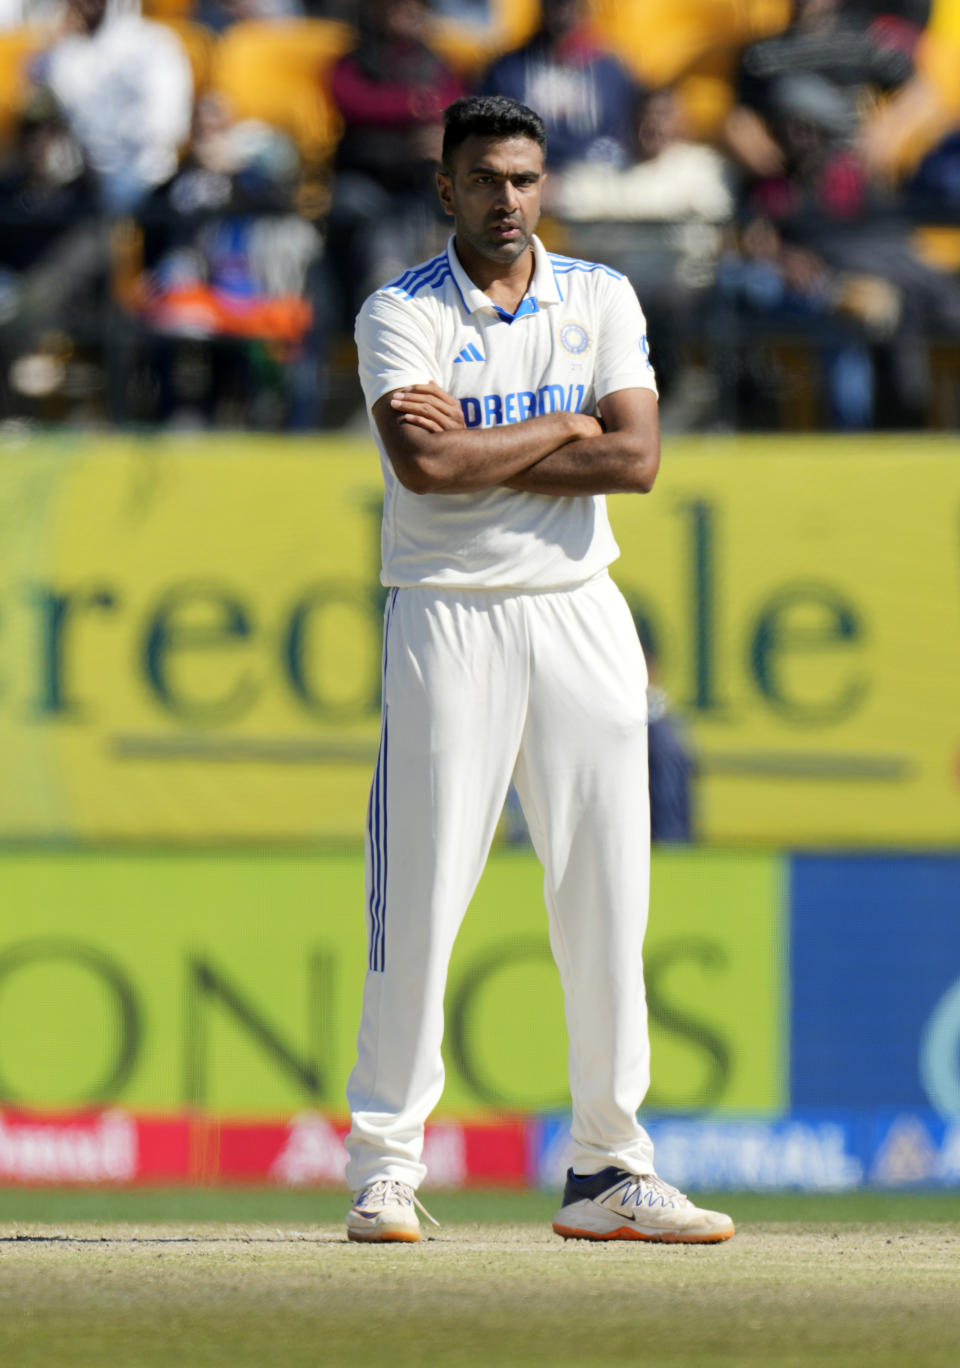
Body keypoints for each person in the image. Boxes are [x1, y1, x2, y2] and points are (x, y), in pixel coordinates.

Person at [343, 93, 734, 1247]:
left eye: (524, 179)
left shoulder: (601, 295)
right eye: (485, 180)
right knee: (417, 897)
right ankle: (386, 1167)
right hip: (448, 616)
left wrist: (502, 444)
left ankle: (610, 1168)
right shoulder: (397, 312)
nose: (507, 200)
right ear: (446, 188)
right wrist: (563, 429)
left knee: (608, 891)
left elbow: (640, 455)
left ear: (541, 184)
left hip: (579, 612)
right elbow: (428, 466)